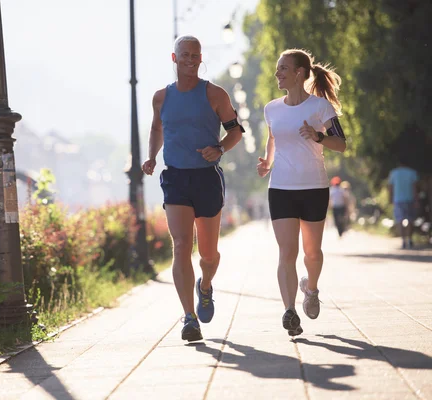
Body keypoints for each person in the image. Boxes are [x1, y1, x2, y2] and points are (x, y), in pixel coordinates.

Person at [142, 35, 243, 342]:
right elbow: (157, 127)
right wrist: (151, 156)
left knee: (209, 254)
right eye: (184, 55)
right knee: (182, 244)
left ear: (201, 59)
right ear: (174, 58)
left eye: (195, 55)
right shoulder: (161, 97)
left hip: (206, 178)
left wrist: (220, 148)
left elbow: (236, 131)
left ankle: (206, 286)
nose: (189, 59)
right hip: (176, 178)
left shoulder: (214, 94)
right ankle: (189, 317)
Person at [256, 49, 347, 337]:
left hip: (314, 188)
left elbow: (341, 143)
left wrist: (318, 136)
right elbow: (272, 138)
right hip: (281, 188)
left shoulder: (321, 108)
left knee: (312, 253)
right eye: (277, 68)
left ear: (298, 73)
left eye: (283, 68)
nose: (277, 73)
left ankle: (311, 288)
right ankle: (290, 311)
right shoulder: (271, 108)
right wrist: (267, 162)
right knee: (287, 252)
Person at [388, 159, 419, 249]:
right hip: (410, 198)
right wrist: (416, 200)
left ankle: (403, 240)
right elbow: (414, 188)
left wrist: (390, 198)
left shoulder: (394, 173)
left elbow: (390, 187)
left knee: (399, 220)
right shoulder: (412, 173)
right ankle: (409, 238)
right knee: (410, 219)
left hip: (398, 199)